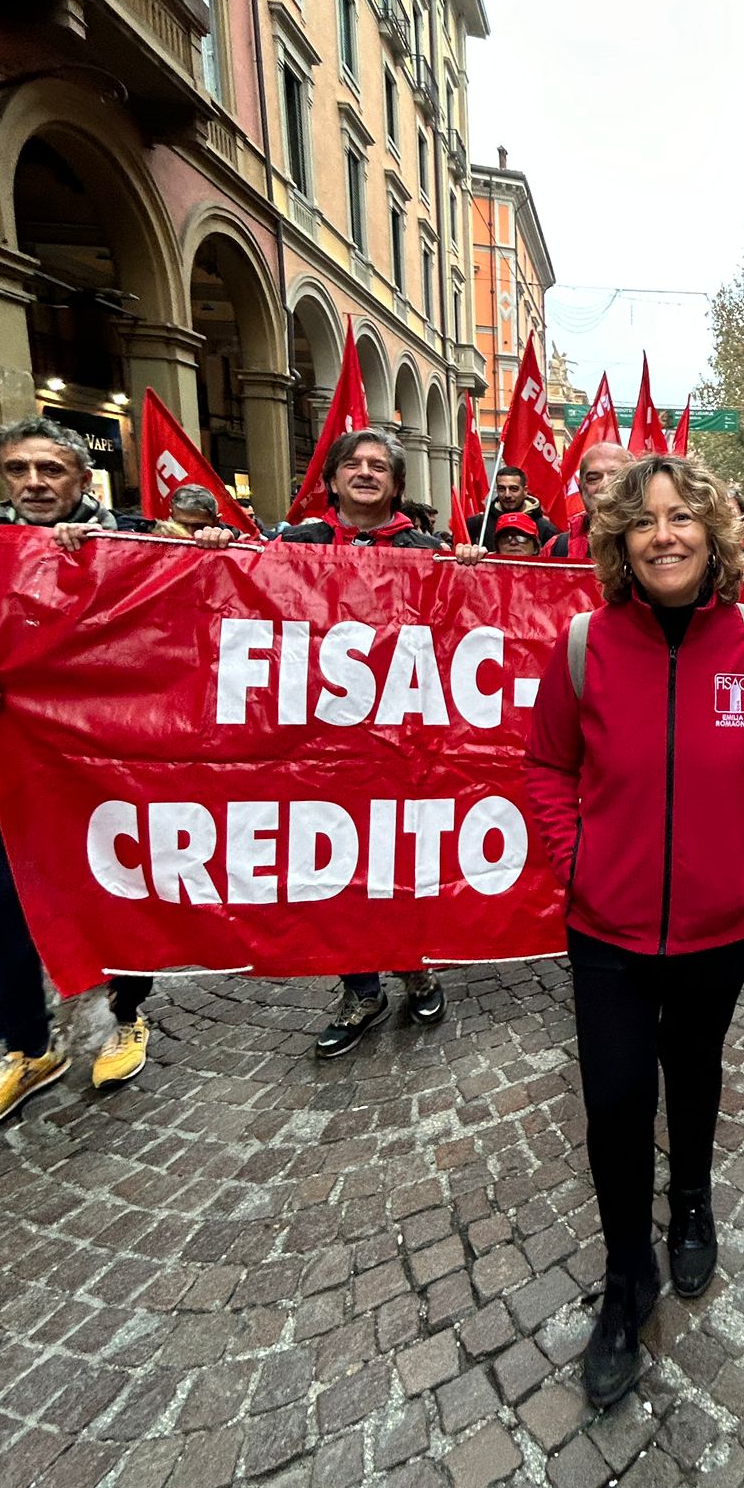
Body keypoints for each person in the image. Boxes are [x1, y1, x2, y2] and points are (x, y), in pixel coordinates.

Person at [525, 453, 744, 1407]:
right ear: (620, 539)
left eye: (683, 517)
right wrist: (575, 867)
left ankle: (691, 1199)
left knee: (693, 1068)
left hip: (721, 924)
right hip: (606, 929)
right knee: (614, 1099)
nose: (665, 534)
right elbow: (545, 770)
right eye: (645, 520)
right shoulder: (581, 644)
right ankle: (626, 1277)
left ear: (714, 533)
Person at [275, 427, 488, 1054]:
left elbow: (458, 628)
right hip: (325, 740)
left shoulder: (425, 548)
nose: (366, 473)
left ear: (396, 483)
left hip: (405, 737)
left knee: (404, 858)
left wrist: (469, 572)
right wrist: (212, 546)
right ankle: (360, 988)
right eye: (354, 464)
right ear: (333, 478)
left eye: (378, 466)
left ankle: (414, 968)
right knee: (340, 865)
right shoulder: (293, 544)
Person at [0, 419, 152, 1123]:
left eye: (49, 469)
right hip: (7, 771)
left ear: (82, 479)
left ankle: (125, 1015)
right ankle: (27, 1045)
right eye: (19, 469)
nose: (33, 483)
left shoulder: (134, 545)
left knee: (122, 891)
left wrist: (199, 540)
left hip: (109, 768)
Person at [544, 441, 632, 561]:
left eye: (617, 476)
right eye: (594, 478)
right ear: (581, 489)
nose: (604, 484)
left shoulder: (654, 543)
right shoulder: (557, 549)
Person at [475, 464, 557, 549]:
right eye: (501, 489)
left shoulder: (545, 529)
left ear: (525, 491)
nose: (507, 495)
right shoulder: (479, 523)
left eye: (513, 489)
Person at [154, 485, 229, 539]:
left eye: (198, 526)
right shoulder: (156, 540)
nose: (189, 533)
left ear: (216, 520)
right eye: (181, 525)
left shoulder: (234, 544)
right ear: (171, 515)